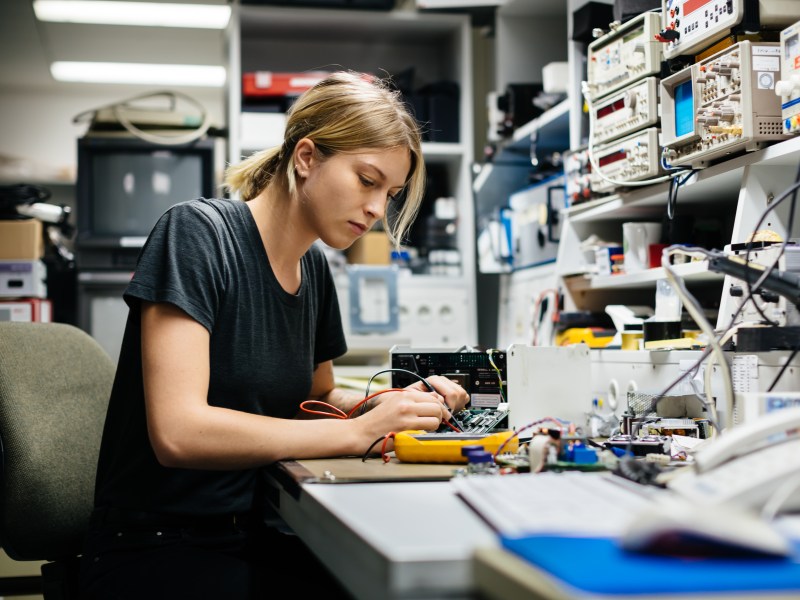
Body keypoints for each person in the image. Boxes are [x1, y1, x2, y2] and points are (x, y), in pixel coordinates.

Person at [79, 70, 469, 599]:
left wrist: (394, 402)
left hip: (251, 532)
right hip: (151, 546)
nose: (379, 209)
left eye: (391, 193)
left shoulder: (315, 271)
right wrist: (357, 433)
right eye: (367, 180)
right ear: (306, 158)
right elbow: (178, 432)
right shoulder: (197, 234)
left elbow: (318, 394)